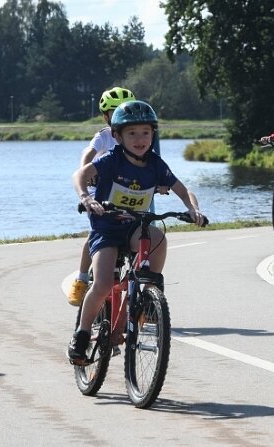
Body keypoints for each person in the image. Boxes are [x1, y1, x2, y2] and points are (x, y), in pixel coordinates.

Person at [67, 100, 204, 363]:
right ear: (117, 136)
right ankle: (82, 335)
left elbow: (183, 190)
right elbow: (79, 175)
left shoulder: (156, 164)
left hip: (134, 227)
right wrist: (86, 197)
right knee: (104, 283)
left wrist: (193, 209)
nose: (140, 139)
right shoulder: (111, 160)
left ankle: (150, 289)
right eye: (132, 133)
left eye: (146, 132)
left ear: (153, 134)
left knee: (158, 238)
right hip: (107, 229)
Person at [66, 87, 136, 306]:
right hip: (102, 194)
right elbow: (87, 153)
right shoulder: (105, 136)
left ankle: (137, 296)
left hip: (129, 193)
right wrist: (86, 174)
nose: (120, 117)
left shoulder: (135, 135)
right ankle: (82, 278)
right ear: (106, 116)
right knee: (96, 234)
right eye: (114, 112)